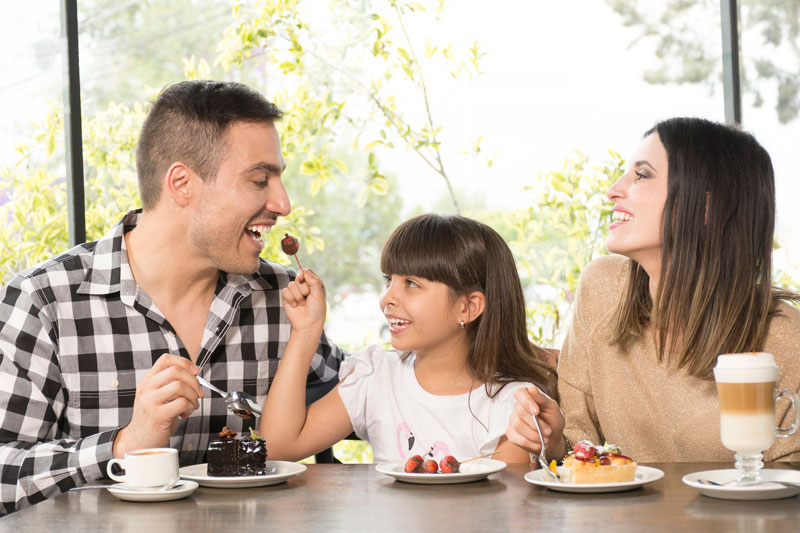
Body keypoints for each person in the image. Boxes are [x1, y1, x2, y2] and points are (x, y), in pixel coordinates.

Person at [0, 80, 343, 514]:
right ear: (182, 183)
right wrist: (124, 446)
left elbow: (365, 398)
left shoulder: (281, 299)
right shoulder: (44, 304)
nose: (284, 203)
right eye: (260, 180)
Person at [506, 117, 800, 462]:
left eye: (641, 175)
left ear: (705, 207)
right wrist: (551, 441)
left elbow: (785, 487)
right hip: (614, 517)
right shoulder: (601, 289)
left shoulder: (784, 338)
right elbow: (576, 447)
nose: (613, 190)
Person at [261, 214, 557, 464]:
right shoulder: (377, 378)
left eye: (411, 284)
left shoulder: (513, 407)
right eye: (388, 280)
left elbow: (497, 509)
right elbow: (277, 448)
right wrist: (305, 332)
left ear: (468, 307)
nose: (387, 298)